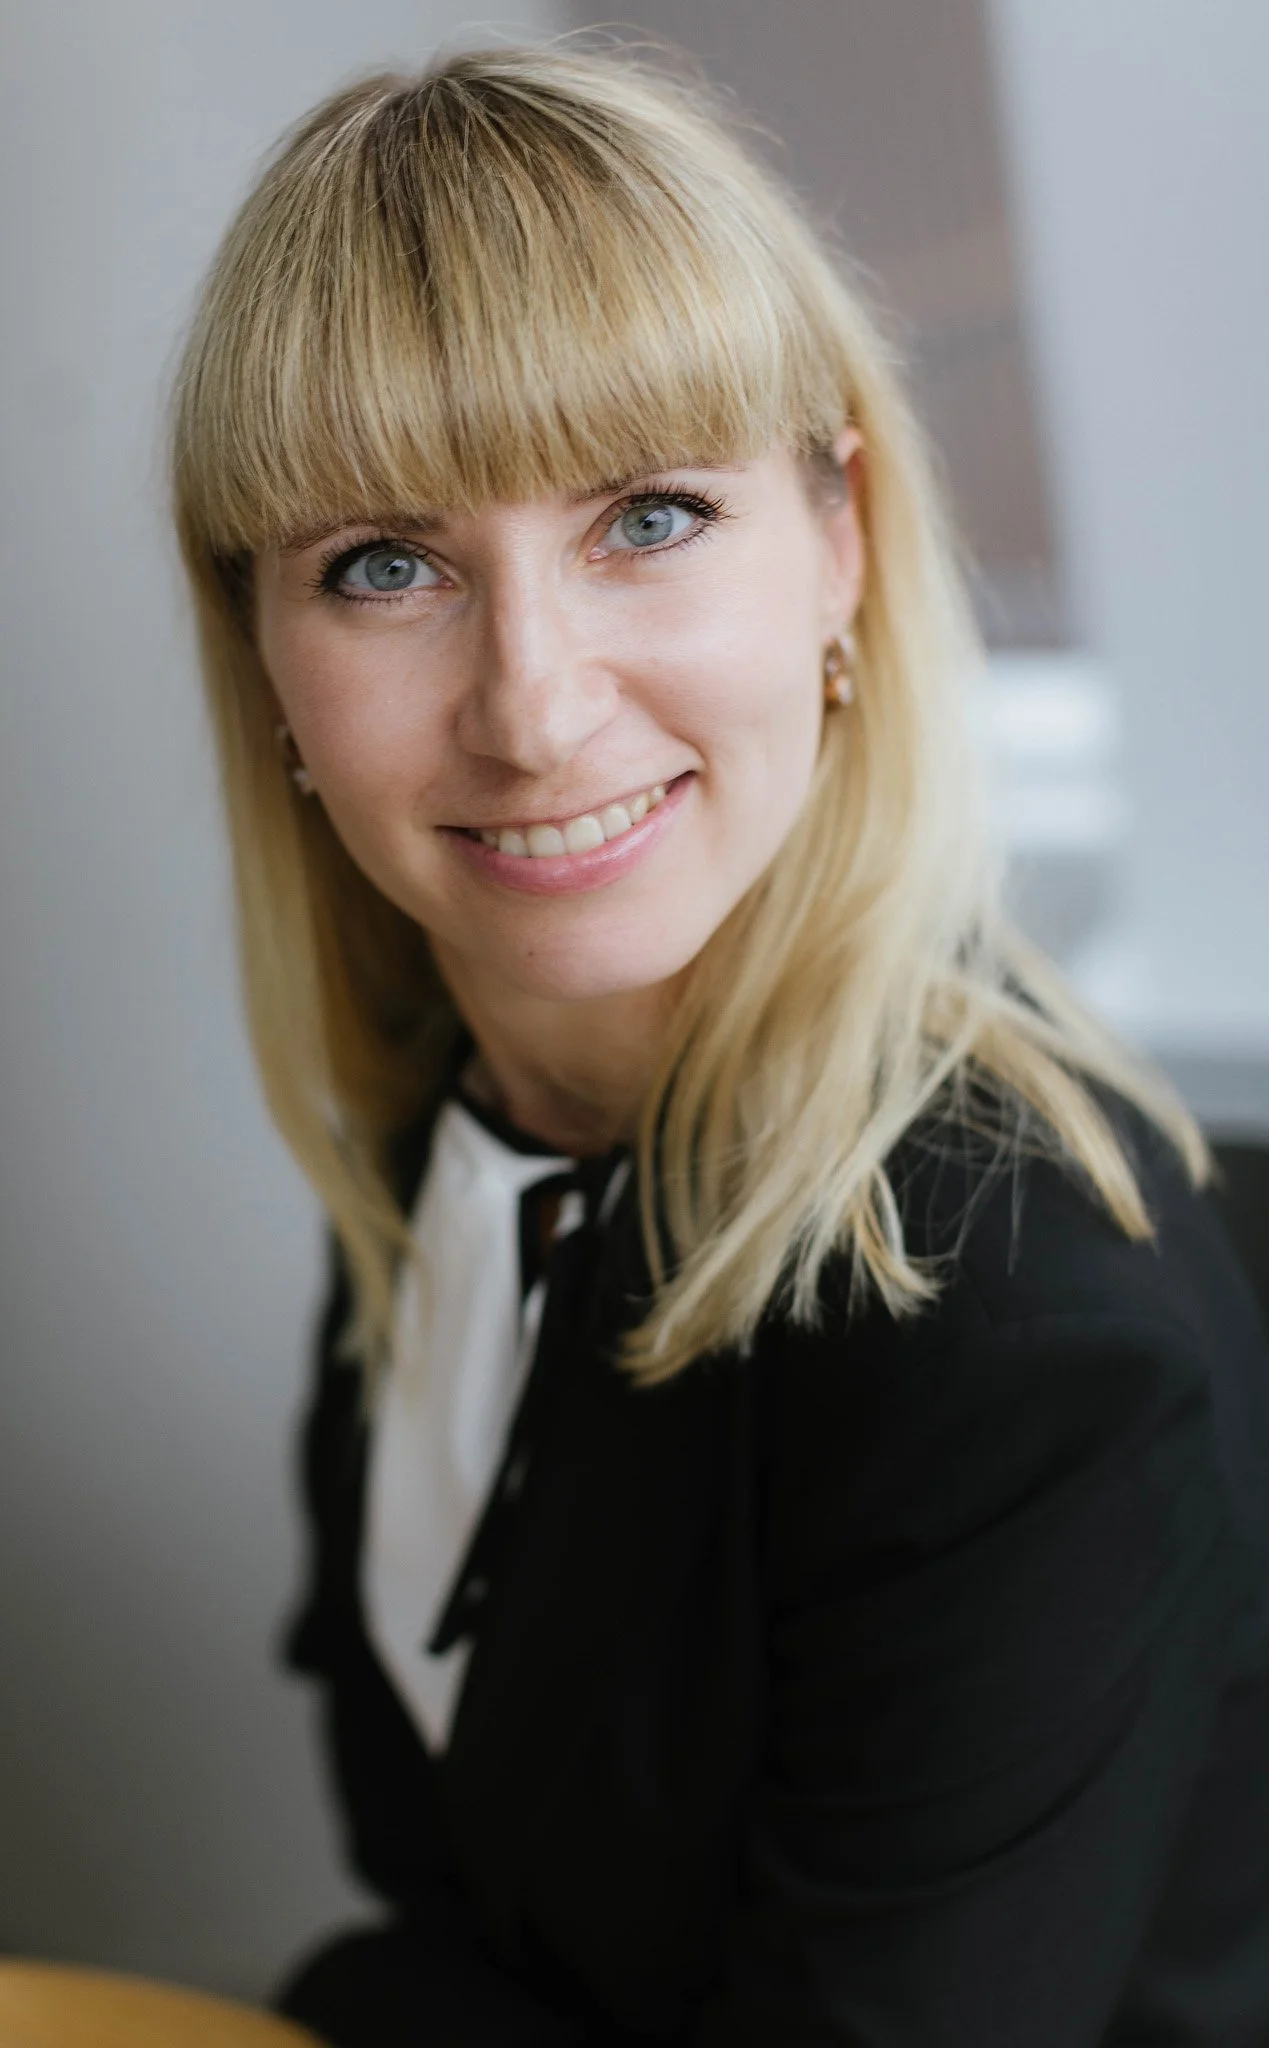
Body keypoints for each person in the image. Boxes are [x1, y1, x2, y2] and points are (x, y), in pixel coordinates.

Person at [169, 42, 1269, 2047]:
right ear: (262, 653)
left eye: (649, 517)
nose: (532, 702)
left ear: (838, 539)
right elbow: (442, 1898)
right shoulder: (465, 1115)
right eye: (385, 565)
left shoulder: (1026, 1334)